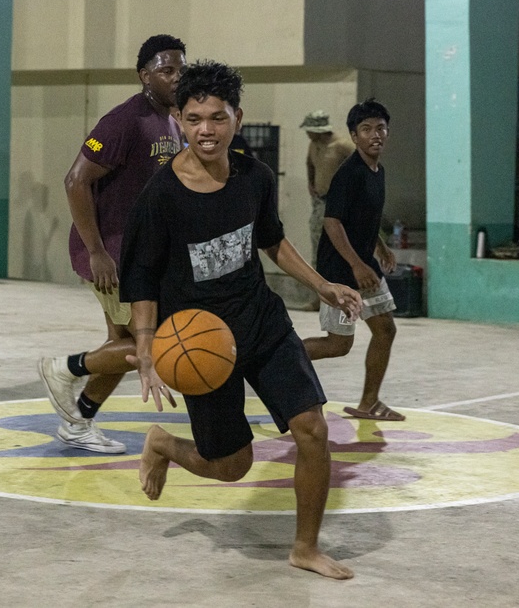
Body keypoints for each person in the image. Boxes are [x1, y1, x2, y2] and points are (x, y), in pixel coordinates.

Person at [120, 60, 361, 580]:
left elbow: (271, 240)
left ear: (236, 117)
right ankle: (163, 443)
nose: (205, 129)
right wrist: (144, 346)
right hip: (199, 340)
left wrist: (322, 285)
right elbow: (140, 276)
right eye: (193, 118)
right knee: (233, 467)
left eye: (216, 117)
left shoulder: (254, 176)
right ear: (179, 122)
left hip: (261, 322)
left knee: (312, 429)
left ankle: (305, 547)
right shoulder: (161, 195)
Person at [37, 35, 187, 453]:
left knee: (123, 345)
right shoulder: (125, 120)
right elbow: (75, 181)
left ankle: (79, 422)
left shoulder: (173, 120)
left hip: (141, 255)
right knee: (148, 344)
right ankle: (63, 369)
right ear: (144, 75)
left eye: (180, 70)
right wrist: (98, 251)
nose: (176, 77)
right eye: (166, 70)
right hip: (113, 255)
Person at [302, 99, 403, 421]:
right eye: (366, 129)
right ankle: (275, 356)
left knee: (385, 330)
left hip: (364, 267)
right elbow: (333, 222)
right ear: (354, 136)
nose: (375, 135)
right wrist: (357, 265)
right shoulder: (349, 175)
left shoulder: (377, 171)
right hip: (341, 272)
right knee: (337, 345)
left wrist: (381, 248)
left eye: (380, 128)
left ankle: (369, 403)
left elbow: (363, 219)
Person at [300, 110, 355, 269]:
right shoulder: (314, 145)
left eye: (309, 130)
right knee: (318, 242)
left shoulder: (342, 146)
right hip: (320, 201)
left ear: (319, 130)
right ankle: (322, 280)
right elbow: (309, 163)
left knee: (339, 244)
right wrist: (311, 182)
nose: (307, 134)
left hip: (339, 203)